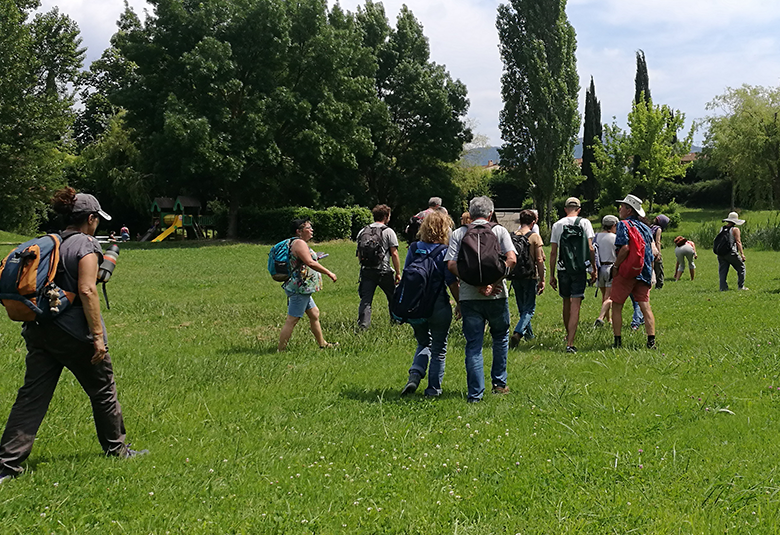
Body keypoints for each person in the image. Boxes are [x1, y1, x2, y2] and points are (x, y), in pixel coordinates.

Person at [0, 188, 146, 484]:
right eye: (97, 220)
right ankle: (117, 450)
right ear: (90, 218)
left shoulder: (52, 242)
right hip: (74, 334)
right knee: (103, 390)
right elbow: (88, 289)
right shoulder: (85, 245)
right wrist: (97, 336)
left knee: (32, 397)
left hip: (40, 331)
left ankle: (7, 465)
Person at [445, 196, 516, 403]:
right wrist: (493, 283)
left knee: (474, 344)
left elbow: (450, 264)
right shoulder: (499, 231)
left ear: (470, 213)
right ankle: (499, 384)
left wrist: (474, 284)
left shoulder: (460, 232)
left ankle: (475, 394)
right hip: (497, 295)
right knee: (500, 337)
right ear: (490, 213)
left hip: (469, 297)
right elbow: (512, 259)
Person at [400, 211, 460, 397]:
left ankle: (415, 376)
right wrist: (460, 303)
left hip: (415, 306)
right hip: (438, 304)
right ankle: (433, 389)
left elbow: (406, 275)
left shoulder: (414, 247)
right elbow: (451, 280)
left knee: (423, 342)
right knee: (439, 349)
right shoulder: (444, 251)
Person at [278, 219, 338, 351]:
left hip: (301, 287)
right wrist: (329, 272)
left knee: (314, 314)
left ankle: (323, 344)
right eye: (308, 228)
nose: (311, 230)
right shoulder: (299, 243)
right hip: (300, 288)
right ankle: (280, 349)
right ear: (299, 231)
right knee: (292, 320)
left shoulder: (295, 243)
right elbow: (310, 263)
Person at [549, 197, 596, 353]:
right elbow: (590, 248)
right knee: (576, 305)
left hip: (563, 269)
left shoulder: (557, 225)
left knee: (566, 303)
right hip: (579, 269)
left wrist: (551, 275)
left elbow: (553, 252)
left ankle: (567, 334)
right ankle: (570, 342)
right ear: (579, 209)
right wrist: (593, 268)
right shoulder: (585, 223)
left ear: (565, 209)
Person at [610, 195, 657, 349]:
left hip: (627, 271)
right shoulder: (646, 228)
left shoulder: (623, 224)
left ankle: (617, 341)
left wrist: (616, 266)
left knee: (617, 305)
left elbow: (624, 248)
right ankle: (651, 341)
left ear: (629, 210)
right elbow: (650, 252)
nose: (620, 209)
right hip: (644, 271)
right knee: (645, 306)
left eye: (622, 206)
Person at [355, 205, 401, 329]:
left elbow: (359, 253)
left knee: (366, 300)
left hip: (367, 271)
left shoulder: (363, 231)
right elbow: (394, 253)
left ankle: (363, 326)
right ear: (386, 216)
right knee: (392, 297)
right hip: (384, 271)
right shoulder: (388, 231)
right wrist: (398, 272)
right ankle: (396, 322)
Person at [509, 209, 545, 347]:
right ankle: (518, 332)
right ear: (533, 221)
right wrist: (542, 279)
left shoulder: (512, 235)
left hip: (515, 275)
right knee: (529, 308)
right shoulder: (534, 237)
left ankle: (529, 335)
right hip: (529, 276)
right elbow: (539, 260)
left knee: (521, 307)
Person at [593, 215, 618, 327]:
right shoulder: (615, 238)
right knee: (610, 297)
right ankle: (600, 317)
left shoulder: (596, 236)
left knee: (604, 296)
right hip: (611, 268)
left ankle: (609, 319)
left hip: (599, 268)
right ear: (613, 225)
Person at [716, 211, 747, 291]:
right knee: (741, 268)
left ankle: (722, 288)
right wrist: (742, 254)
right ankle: (741, 287)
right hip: (730, 252)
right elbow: (738, 242)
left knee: (723, 271)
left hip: (721, 253)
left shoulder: (722, 228)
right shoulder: (735, 229)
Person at [650, 215, 668, 288]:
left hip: (648, 249)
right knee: (659, 267)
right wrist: (659, 253)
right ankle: (659, 285)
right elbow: (657, 241)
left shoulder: (650, 227)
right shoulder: (658, 229)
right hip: (654, 249)